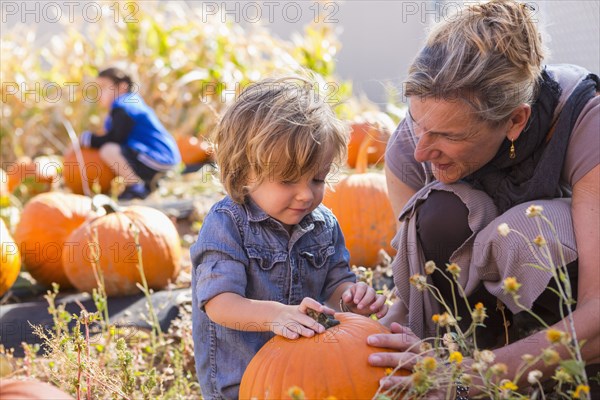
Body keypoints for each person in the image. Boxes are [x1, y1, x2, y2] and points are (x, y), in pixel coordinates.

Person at [367, 0, 599, 398]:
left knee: (527, 228)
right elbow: (418, 290)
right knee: (438, 210)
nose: (422, 150)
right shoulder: (410, 149)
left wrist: (477, 377)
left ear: (515, 120)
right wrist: (374, 338)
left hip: (569, 332)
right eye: (417, 123)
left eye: (449, 136)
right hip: (470, 333)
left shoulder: (584, 121)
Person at [190, 76, 389, 399]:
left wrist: (351, 298)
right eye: (286, 181)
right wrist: (276, 316)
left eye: (317, 179)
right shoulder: (227, 224)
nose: (305, 195)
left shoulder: (323, 223)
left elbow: (335, 284)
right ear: (243, 173)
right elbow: (219, 304)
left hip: (309, 376)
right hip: (242, 382)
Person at [80, 67, 181, 200]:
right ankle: (147, 184)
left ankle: (136, 188)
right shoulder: (130, 103)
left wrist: (88, 139)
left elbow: (115, 138)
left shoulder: (124, 106)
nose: (99, 94)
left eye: (103, 87)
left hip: (158, 159)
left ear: (122, 87)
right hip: (162, 160)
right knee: (111, 150)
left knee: (108, 150)